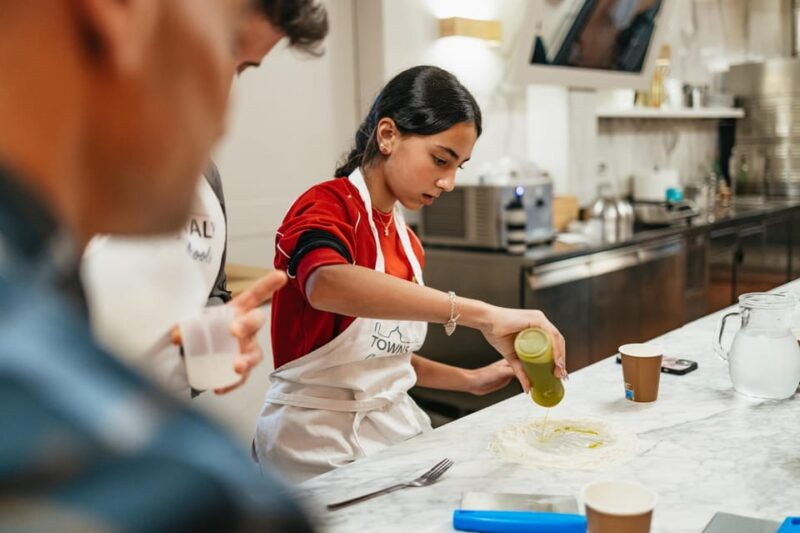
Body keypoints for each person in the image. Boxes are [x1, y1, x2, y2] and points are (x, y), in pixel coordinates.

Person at [0, 1, 312, 530]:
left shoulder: (201, 185)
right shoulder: (183, 493)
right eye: (227, 53)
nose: (224, 115)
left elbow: (205, 298)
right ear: (121, 13)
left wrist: (211, 343)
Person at [254, 65, 568, 482]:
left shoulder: (405, 239)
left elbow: (380, 359)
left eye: (460, 166)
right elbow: (325, 282)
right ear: (387, 135)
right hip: (313, 445)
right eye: (441, 159)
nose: (450, 182)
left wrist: (470, 381)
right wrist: (483, 314)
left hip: (390, 431)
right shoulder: (326, 207)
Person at [81, 0, 329, 397]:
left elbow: (212, 293)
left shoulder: (203, 176)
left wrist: (216, 339)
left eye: (242, 69)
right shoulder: (48, 162)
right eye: (219, 49)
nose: (222, 97)